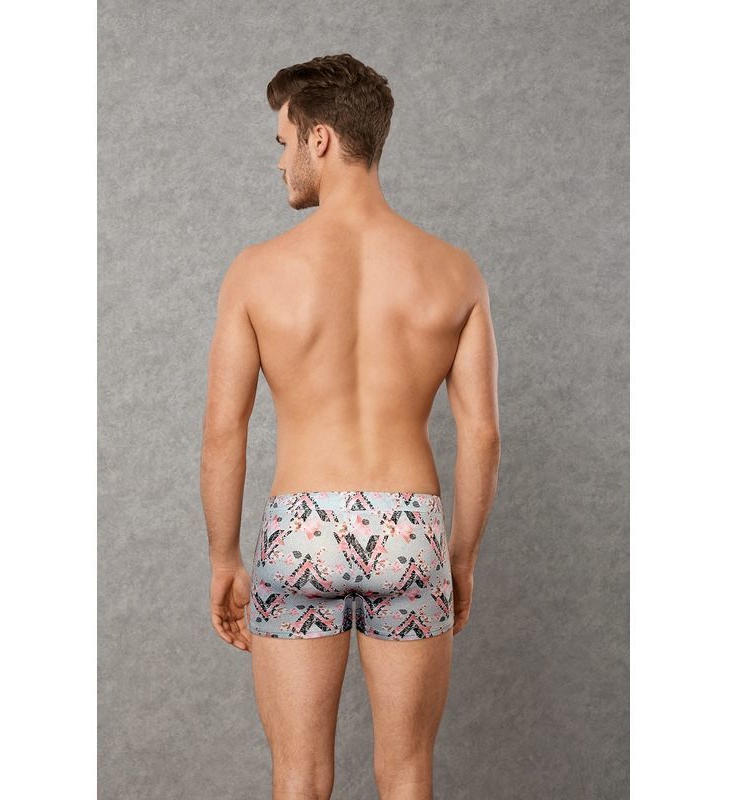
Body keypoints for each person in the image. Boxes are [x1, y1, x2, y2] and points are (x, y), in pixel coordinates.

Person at [200, 53, 500, 800]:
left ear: (321, 138)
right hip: (410, 529)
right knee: (406, 773)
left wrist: (224, 556)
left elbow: (224, 429)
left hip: (300, 529)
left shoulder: (256, 271)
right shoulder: (455, 272)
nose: (281, 162)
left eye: (283, 142)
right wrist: (461, 557)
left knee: (299, 777)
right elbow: (482, 435)